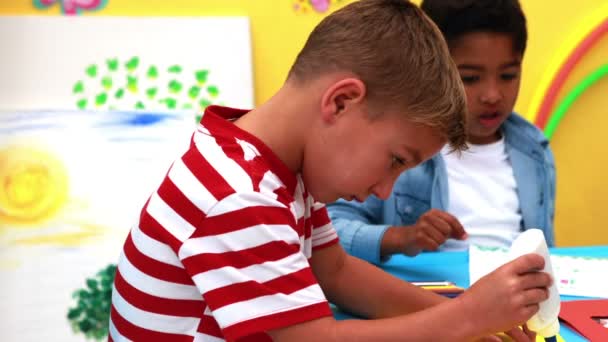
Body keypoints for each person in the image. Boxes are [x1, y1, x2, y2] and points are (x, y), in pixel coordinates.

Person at [109, 1, 551, 341]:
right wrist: (464, 317)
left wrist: (471, 318)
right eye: (396, 160)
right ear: (341, 102)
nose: (384, 191)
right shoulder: (238, 194)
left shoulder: (282, 173)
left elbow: (338, 273)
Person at [328, 0, 556, 263]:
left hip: (514, 297)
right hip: (430, 298)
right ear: (430, 72)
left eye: (508, 76)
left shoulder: (536, 150)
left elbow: (546, 250)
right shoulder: (396, 145)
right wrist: (401, 238)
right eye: (470, 78)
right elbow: (331, 229)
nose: (493, 95)